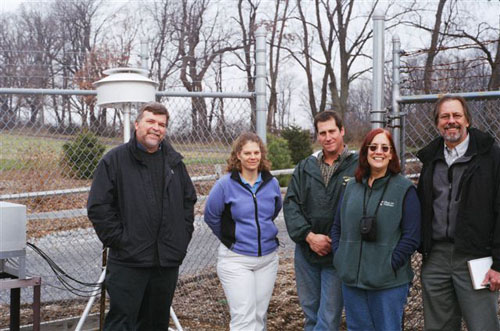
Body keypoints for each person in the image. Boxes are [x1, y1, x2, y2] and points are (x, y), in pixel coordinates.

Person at [87, 102, 197, 330]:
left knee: (156, 324)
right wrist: (121, 241)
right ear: (137, 124)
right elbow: (99, 207)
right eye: (151, 122)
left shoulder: (175, 163)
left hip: (165, 263)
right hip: (129, 262)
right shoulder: (114, 161)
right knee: (121, 323)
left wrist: (180, 241)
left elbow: (188, 202)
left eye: (162, 124)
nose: (156, 128)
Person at [417, 95, 500, 331]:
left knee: (483, 325)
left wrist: (499, 264)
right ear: (437, 123)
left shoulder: (491, 156)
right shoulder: (430, 159)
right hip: (436, 258)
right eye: (445, 116)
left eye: (456, 115)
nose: (451, 121)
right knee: (438, 326)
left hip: (477, 256)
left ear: (467, 121)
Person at [331, 128, 421, 331]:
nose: (378, 152)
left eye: (384, 148)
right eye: (373, 147)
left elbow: (412, 236)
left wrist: (390, 264)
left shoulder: (404, 189)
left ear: (391, 154)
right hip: (352, 281)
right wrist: (340, 256)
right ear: (365, 152)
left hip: (387, 283)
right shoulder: (351, 187)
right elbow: (336, 227)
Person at [283, 111, 358, 330]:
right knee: (311, 314)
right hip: (307, 251)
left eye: (332, 131)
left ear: (342, 131)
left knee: (328, 317)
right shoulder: (306, 167)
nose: (328, 137)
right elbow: (291, 205)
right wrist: (309, 236)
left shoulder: (357, 166)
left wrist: (335, 240)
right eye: (322, 133)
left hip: (338, 253)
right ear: (317, 136)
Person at [204, 132, 282, 331]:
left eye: (256, 152)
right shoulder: (225, 184)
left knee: (258, 316)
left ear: (261, 154)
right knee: (243, 318)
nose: (253, 157)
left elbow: (274, 210)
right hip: (236, 259)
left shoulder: (271, 183)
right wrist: (231, 238)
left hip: (267, 259)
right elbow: (211, 216)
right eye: (247, 153)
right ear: (238, 155)